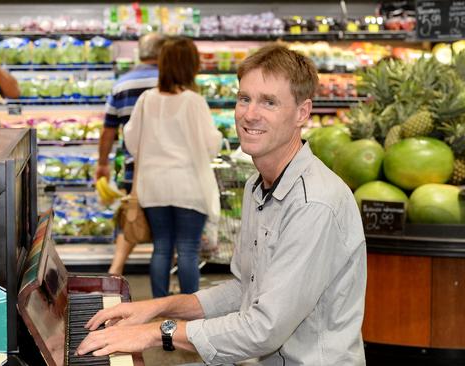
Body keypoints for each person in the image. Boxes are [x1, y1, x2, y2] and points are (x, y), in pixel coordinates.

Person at [76, 44, 367, 365]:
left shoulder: (315, 204)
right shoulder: (258, 186)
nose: (250, 114)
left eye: (269, 102)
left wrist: (157, 331)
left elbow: (263, 329)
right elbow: (244, 291)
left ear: (302, 113)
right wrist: (156, 306)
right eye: (244, 99)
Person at [122, 36, 222, 298]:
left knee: (162, 247)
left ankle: (159, 307)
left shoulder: (146, 99)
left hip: (153, 186)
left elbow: (131, 140)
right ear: (190, 66)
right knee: (188, 249)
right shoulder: (193, 101)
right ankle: (190, 312)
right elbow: (211, 145)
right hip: (189, 184)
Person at [95, 32, 165, 276]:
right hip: (168, 166)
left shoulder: (122, 84)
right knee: (165, 226)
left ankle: (115, 269)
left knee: (131, 215)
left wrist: (102, 163)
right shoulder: (170, 83)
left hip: (133, 166)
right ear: (163, 53)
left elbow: (108, 130)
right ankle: (164, 277)